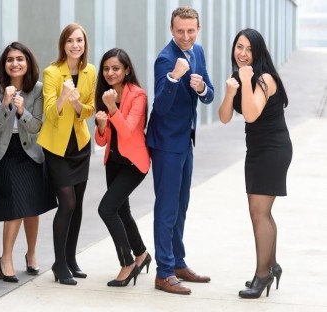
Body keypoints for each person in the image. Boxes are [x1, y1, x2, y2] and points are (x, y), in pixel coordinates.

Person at [219, 28, 292, 299]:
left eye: (249, 49)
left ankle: (263, 275)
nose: (243, 53)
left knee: (258, 212)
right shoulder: (239, 78)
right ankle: (271, 266)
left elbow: (250, 114)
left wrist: (246, 79)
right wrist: (230, 91)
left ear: (258, 53)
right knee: (262, 212)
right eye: (239, 47)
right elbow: (225, 117)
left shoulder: (264, 78)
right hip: (257, 150)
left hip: (273, 150)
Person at [146, 6, 214, 295]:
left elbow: (209, 94)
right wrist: (174, 78)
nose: (185, 36)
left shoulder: (198, 52)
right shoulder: (164, 59)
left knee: (181, 205)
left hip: (185, 141)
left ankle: (177, 262)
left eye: (190, 30)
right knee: (167, 207)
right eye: (180, 31)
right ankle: (163, 272)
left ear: (197, 29)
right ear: (171, 30)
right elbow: (160, 106)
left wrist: (201, 89)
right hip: (165, 144)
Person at [0, 42, 56, 283]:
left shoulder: (39, 89)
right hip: (5, 152)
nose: (15, 63)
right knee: (15, 206)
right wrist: (5, 104)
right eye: (10, 59)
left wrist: (22, 112)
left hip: (30, 152)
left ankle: (31, 254)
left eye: (20, 59)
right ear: (5, 65)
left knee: (32, 207)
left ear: (28, 63)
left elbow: (38, 126)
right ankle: (6, 259)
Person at [37, 23, 96, 286]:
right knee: (68, 203)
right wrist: (62, 98)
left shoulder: (90, 71)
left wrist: (77, 104)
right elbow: (49, 113)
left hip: (80, 146)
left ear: (85, 44)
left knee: (79, 205)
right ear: (63, 44)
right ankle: (59, 264)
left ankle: (70, 259)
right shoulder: (52, 72)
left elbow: (90, 109)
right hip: (57, 148)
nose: (75, 45)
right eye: (70, 41)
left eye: (79, 41)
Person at [94, 48, 152, 287]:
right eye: (106, 68)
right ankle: (141, 254)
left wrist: (113, 108)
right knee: (121, 211)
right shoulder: (105, 94)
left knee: (107, 209)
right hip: (114, 162)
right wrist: (100, 125)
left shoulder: (138, 95)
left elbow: (128, 131)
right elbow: (101, 140)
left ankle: (127, 263)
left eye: (116, 68)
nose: (110, 73)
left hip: (134, 164)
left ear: (127, 70)